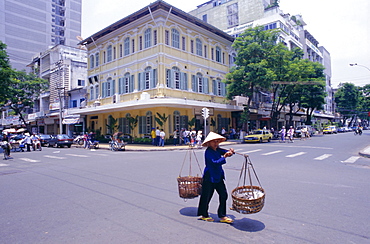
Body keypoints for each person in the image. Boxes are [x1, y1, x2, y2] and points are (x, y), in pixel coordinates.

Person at [197, 132, 235, 224]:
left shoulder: (217, 150)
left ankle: (222, 215)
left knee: (223, 195)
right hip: (209, 177)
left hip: (218, 176)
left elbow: (224, 152)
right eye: (214, 142)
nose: (216, 143)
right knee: (206, 196)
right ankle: (204, 215)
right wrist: (225, 157)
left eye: (217, 141)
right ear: (209, 143)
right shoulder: (208, 152)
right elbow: (215, 162)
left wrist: (230, 152)